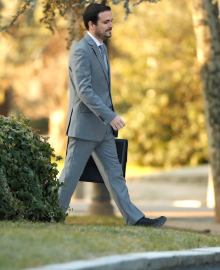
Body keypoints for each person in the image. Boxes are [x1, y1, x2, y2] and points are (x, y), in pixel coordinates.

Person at [58, 3, 167, 227]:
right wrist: (110, 116)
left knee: (115, 176)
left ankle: (136, 220)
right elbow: (84, 91)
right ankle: (49, 215)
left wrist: (109, 121)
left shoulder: (102, 48)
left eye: (112, 21)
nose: (111, 26)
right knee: (70, 177)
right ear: (92, 24)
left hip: (103, 130)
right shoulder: (80, 51)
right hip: (85, 127)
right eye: (106, 22)